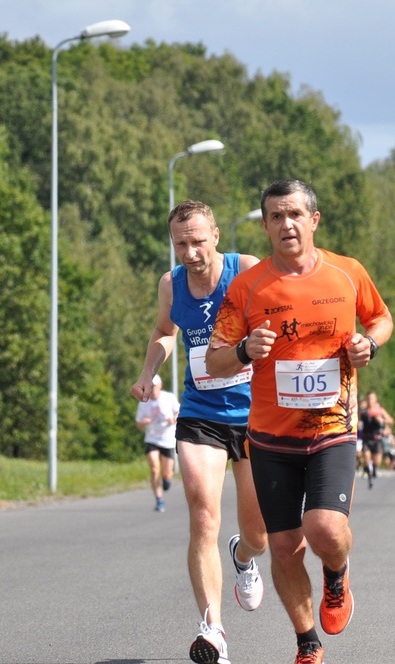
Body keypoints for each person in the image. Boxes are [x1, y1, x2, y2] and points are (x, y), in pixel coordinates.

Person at [206, 179, 393, 664]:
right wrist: (244, 349)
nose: (286, 224)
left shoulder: (347, 273)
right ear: (266, 227)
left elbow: (381, 319)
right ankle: (307, 642)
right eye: (276, 217)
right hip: (271, 439)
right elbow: (215, 360)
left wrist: (369, 344)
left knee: (324, 528)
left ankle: (336, 575)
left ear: (314, 220)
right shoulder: (248, 287)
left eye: (294, 214)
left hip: (332, 430)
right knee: (285, 546)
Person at [130, 200, 268, 664]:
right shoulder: (171, 283)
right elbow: (164, 331)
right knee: (204, 516)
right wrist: (148, 371)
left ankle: (243, 556)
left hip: (253, 414)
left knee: (259, 533)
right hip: (200, 413)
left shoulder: (246, 270)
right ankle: (213, 630)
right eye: (180, 243)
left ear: (216, 236)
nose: (190, 252)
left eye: (197, 241)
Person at [135, 375, 179, 512]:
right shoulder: (144, 402)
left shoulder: (169, 397)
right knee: (154, 469)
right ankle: (159, 499)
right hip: (152, 438)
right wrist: (144, 422)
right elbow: (138, 424)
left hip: (168, 439)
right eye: (150, 386)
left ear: (160, 386)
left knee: (167, 473)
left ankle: (166, 479)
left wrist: (174, 419)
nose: (152, 389)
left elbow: (179, 412)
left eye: (154, 386)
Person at [359, 391, 394, 489]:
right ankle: (370, 477)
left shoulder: (379, 410)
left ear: (375, 399)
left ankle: (374, 469)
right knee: (366, 458)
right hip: (366, 438)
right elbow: (356, 421)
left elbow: (391, 420)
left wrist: (382, 420)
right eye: (368, 398)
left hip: (377, 439)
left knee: (377, 461)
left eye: (372, 398)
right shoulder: (363, 411)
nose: (370, 400)